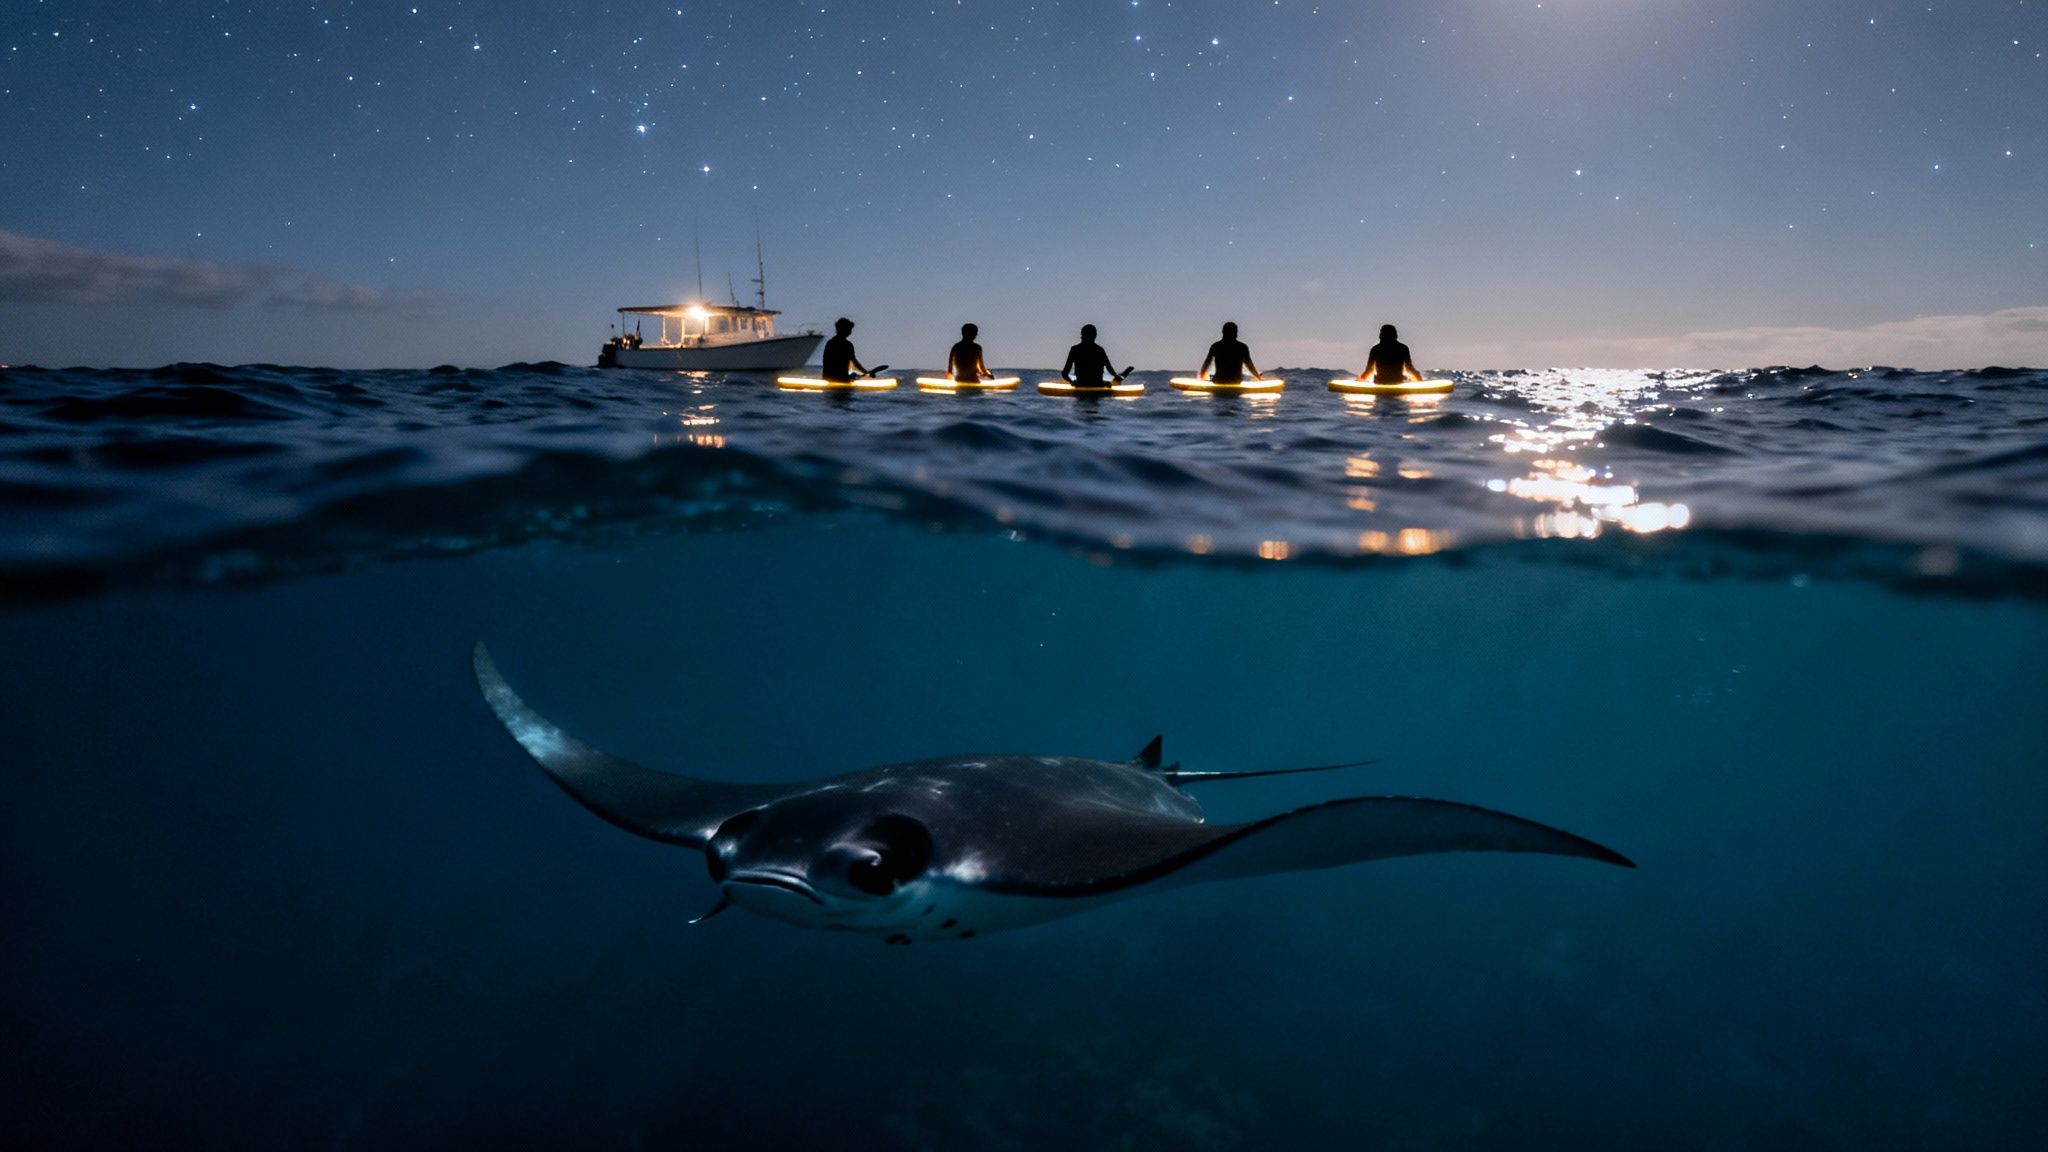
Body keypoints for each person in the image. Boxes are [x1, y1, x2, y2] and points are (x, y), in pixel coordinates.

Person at [1061, 324, 1123, 388]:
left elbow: (1064, 374)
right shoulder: (1099, 350)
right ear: (1095, 336)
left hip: (1080, 384)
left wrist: (1072, 382)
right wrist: (1116, 376)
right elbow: (1109, 368)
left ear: (1082, 335)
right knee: (1107, 383)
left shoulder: (1075, 349)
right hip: (1098, 384)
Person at [1358, 324, 1422, 383]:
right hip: (1398, 381)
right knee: (1407, 378)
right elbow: (1409, 368)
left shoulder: (1375, 349)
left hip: (1380, 381)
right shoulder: (1403, 348)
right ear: (1395, 334)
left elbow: (1369, 371)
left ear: (1381, 335)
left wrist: (1359, 380)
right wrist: (1419, 379)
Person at [821, 317, 870, 382]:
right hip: (842, 379)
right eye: (849, 329)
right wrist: (866, 372)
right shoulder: (847, 344)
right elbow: (854, 362)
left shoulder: (829, 343)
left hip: (827, 378)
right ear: (845, 329)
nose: (850, 332)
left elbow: (826, 361)